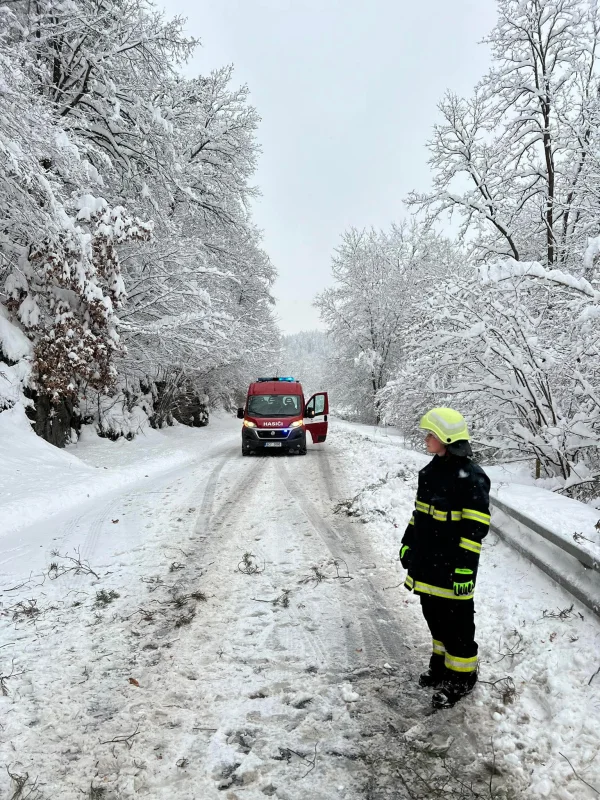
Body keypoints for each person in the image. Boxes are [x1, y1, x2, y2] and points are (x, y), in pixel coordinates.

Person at [399, 407, 491, 709]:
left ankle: (462, 678)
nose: (426, 439)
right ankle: (440, 667)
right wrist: (407, 544)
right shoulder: (430, 472)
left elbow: (474, 530)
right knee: (434, 616)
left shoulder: (472, 478)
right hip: (428, 562)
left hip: (453, 566)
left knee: (457, 626)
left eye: (431, 435)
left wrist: (465, 570)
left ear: (446, 439)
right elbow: (420, 515)